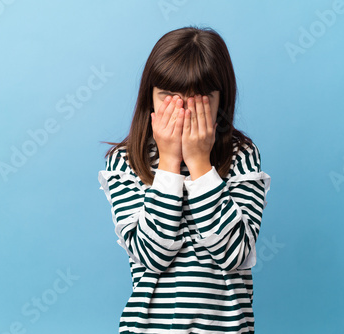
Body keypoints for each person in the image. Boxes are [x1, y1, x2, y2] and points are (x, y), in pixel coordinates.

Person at [98, 26, 271, 334]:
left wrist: (200, 162)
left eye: (198, 98)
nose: (182, 110)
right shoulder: (126, 161)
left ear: (221, 99)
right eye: (168, 96)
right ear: (150, 98)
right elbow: (152, 255)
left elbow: (234, 254)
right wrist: (168, 163)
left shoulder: (242, 156)